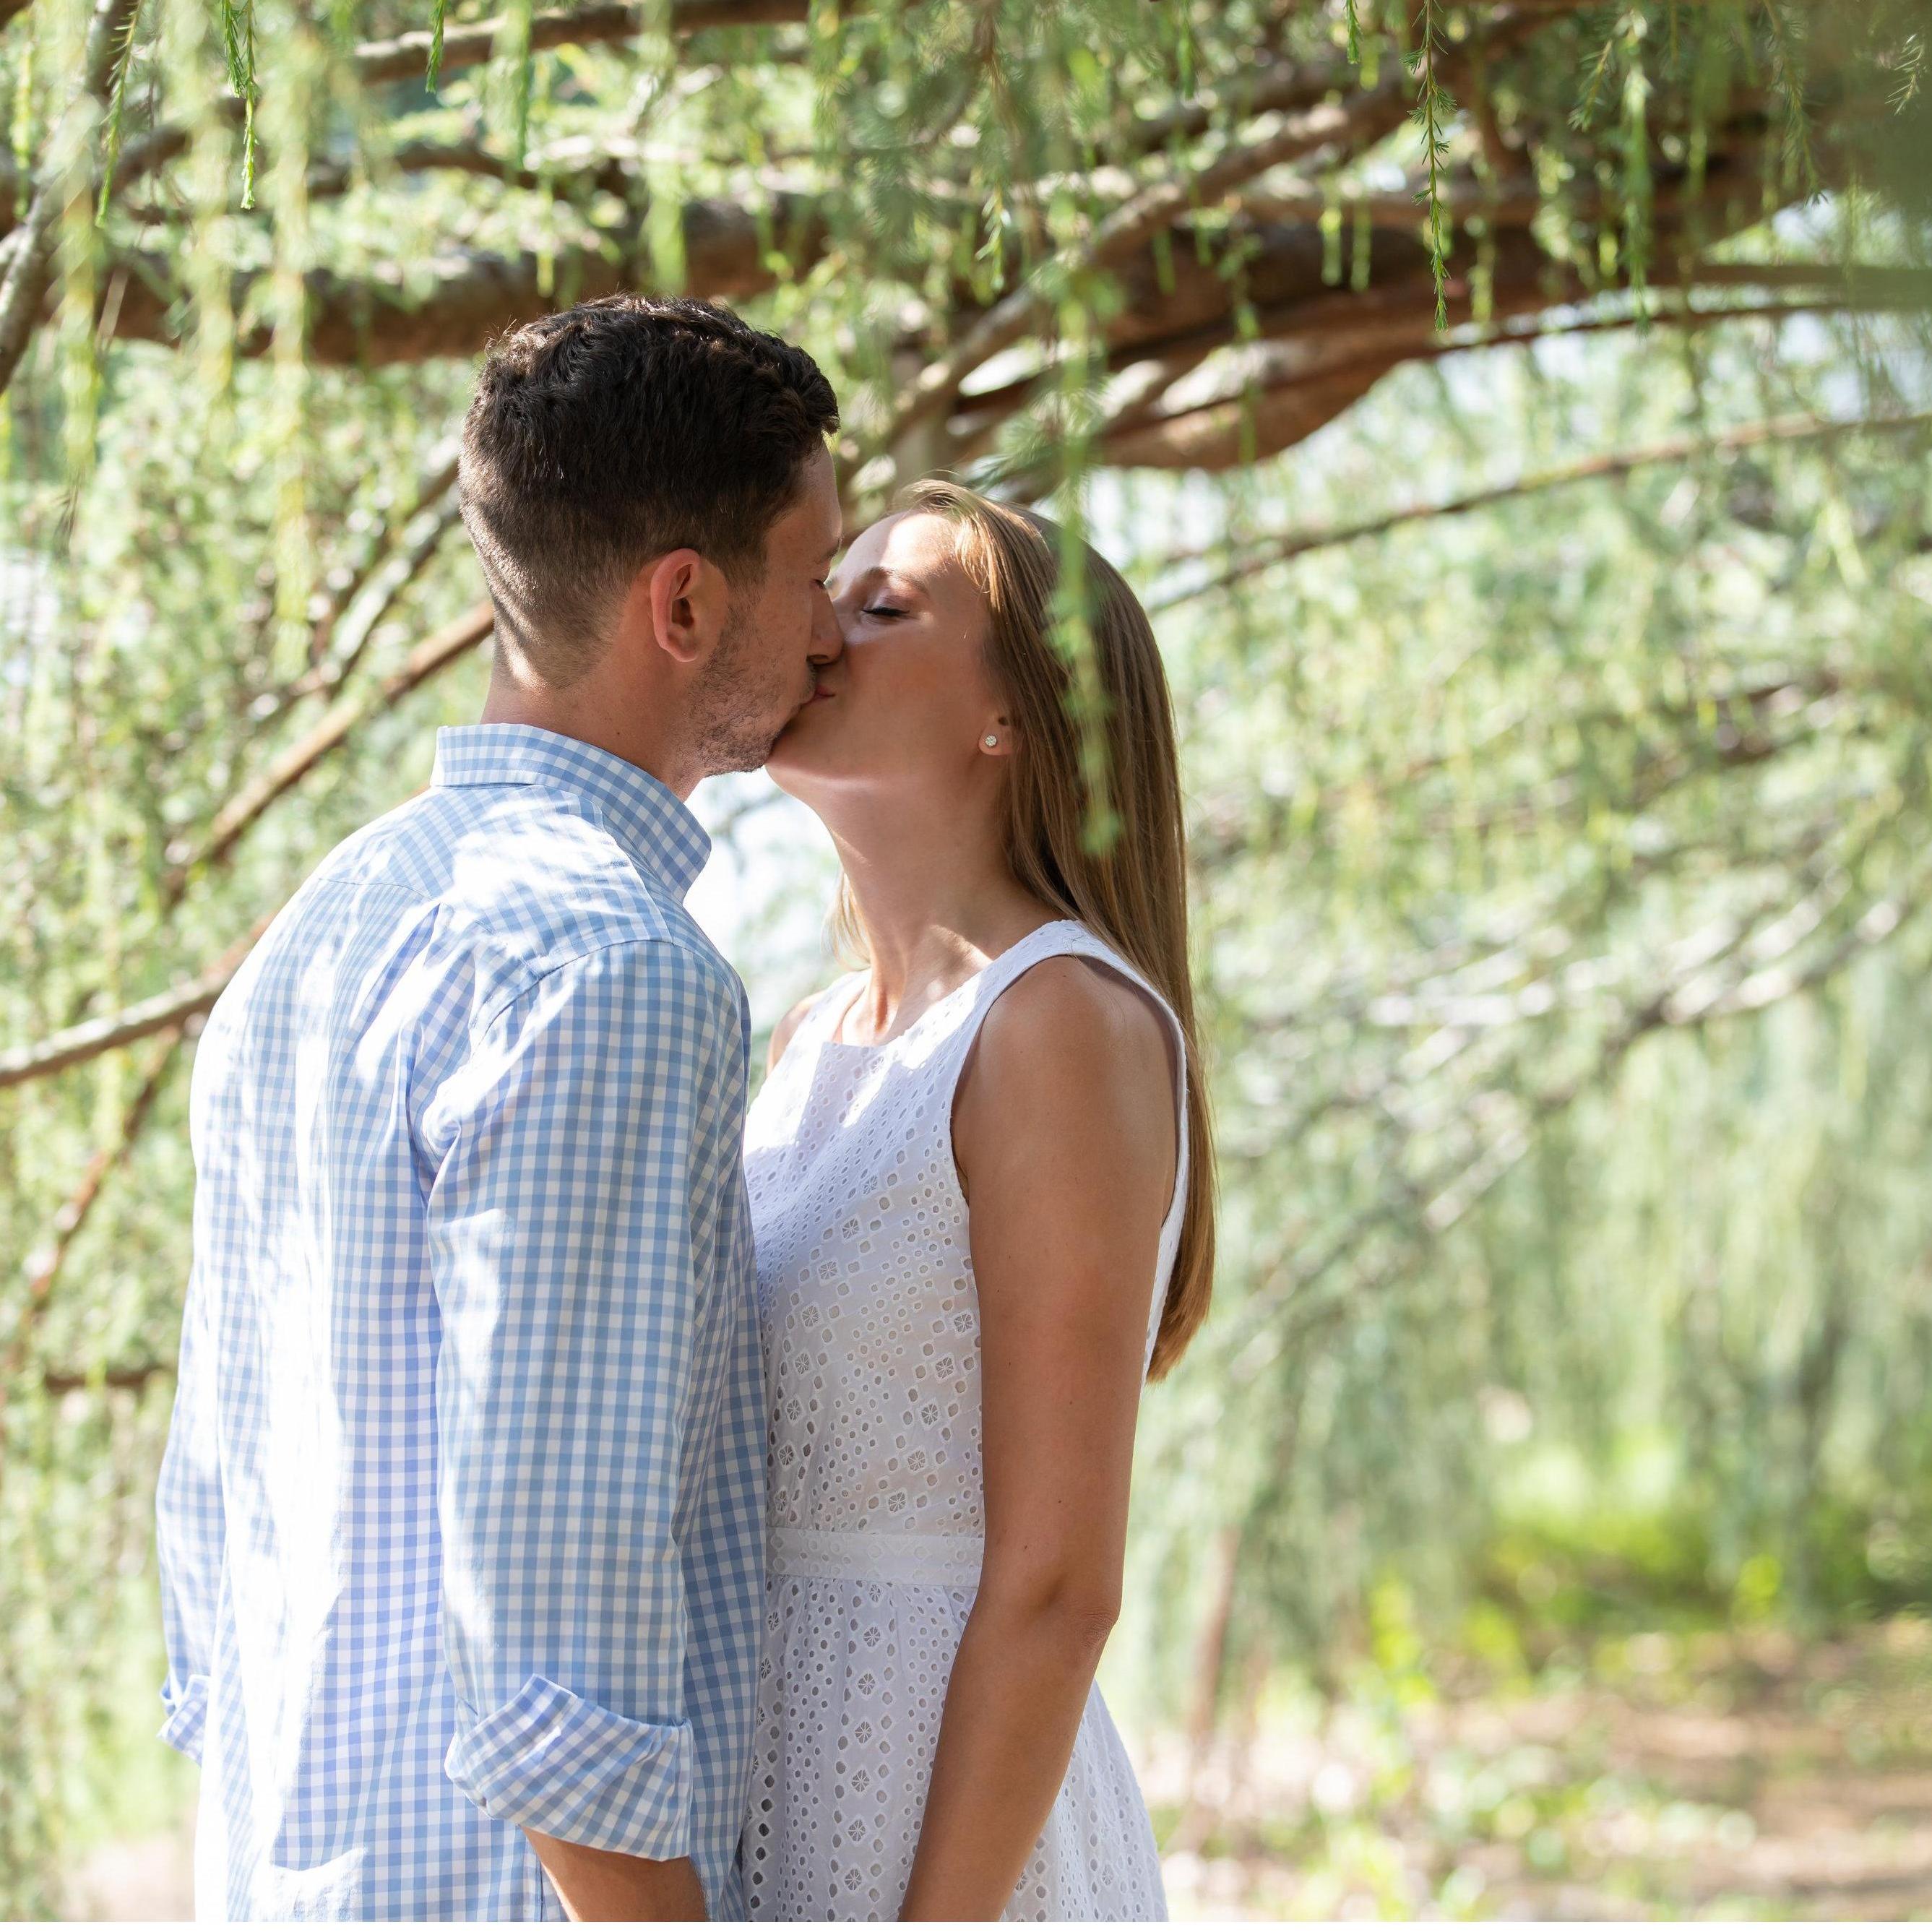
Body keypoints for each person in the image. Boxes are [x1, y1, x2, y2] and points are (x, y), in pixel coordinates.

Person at [154, 295, 842, 1920]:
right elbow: (550, 1648)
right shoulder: (617, 974)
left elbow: (209, 1519)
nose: (829, 635)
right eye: (814, 578)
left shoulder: (320, 926)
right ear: (684, 600)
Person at [739, 480, 1215, 1920]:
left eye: (882, 609)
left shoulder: (1057, 1021)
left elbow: (1060, 1582)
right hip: (763, 1768)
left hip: (950, 1816)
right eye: (830, 590)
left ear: (1010, 715)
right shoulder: (802, 1038)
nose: (818, 634)